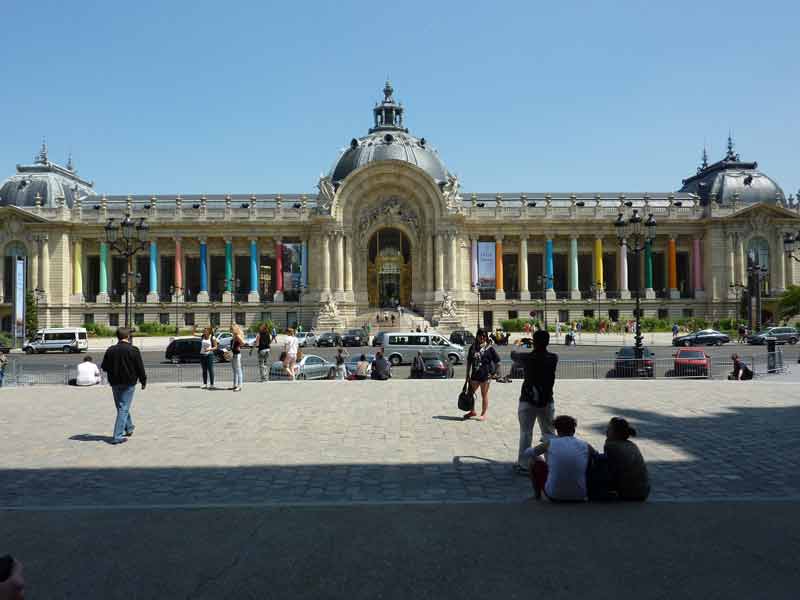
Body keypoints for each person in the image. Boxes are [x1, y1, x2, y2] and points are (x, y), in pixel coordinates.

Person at [512, 329, 558, 474]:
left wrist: (517, 344)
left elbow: (513, 355)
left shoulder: (527, 358)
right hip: (547, 400)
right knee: (549, 432)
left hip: (528, 399)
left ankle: (524, 465)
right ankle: (552, 463)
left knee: (526, 433)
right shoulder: (553, 358)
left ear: (534, 342)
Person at [526, 415, 593, 501]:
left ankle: (537, 495)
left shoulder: (551, 443)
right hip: (580, 494)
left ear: (557, 431)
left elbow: (528, 453)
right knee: (589, 460)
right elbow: (597, 455)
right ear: (574, 430)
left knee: (533, 460)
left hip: (554, 494)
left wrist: (545, 448)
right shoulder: (584, 445)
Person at [100, 328, 147, 445]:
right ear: (128, 337)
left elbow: (104, 367)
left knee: (121, 406)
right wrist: (143, 380)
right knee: (123, 407)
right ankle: (117, 436)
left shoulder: (110, 350)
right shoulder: (133, 350)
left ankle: (129, 427)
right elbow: (139, 367)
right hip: (129, 382)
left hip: (115, 382)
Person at [602, 417, 650, 501]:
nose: (606, 431)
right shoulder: (631, 444)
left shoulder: (610, 446)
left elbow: (612, 470)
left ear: (616, 432)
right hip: (643, 492)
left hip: (629, 493)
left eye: (609, 428)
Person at [463, 328, 501, 421]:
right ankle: (472, 411)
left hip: (485, 375)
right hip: (475, 375)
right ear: (477, 336)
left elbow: (498, 362)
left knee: (484, 395)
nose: (482, 338)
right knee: (470, 394)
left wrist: (493, 374)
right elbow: (469, 362)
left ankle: (483, 414)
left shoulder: (489, 348)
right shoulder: (473, 347)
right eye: (481, 336)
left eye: (484, 336)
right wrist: (467, 374)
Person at [230, 324, 244, 392]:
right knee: (235, 371)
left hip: (237, 354)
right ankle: (235, 385)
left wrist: (239, 346)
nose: (230, 329)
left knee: (238, 370)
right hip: (233, 354)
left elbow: (243, 343)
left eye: (232, 328)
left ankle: (239, 386)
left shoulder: (237, 336)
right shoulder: (234, 336)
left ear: (235, 329)